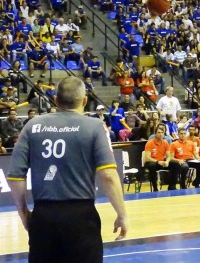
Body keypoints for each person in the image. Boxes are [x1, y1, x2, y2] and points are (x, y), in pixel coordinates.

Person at [7, 76, 127, 263]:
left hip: (43, 216)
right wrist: (122, 214)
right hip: (81, 217)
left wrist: (24, 214)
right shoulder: (95, 126)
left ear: (55, 100)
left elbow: (15, 176)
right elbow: (108, 175)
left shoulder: (32, 126)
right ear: (85, 101)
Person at [143, 123, 170, 191]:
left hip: (162, 161)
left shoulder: (166, 142)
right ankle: (155, 187)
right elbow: (147, 158)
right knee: (152, 166)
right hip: (152, 162)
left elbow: (169, 156)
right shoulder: (150, 143)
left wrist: (167, 161)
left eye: (162, 132)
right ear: (155, 134)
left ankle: (172, 185)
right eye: (158, 132)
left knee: (175, 165)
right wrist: (158, 162)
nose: (160, 134)